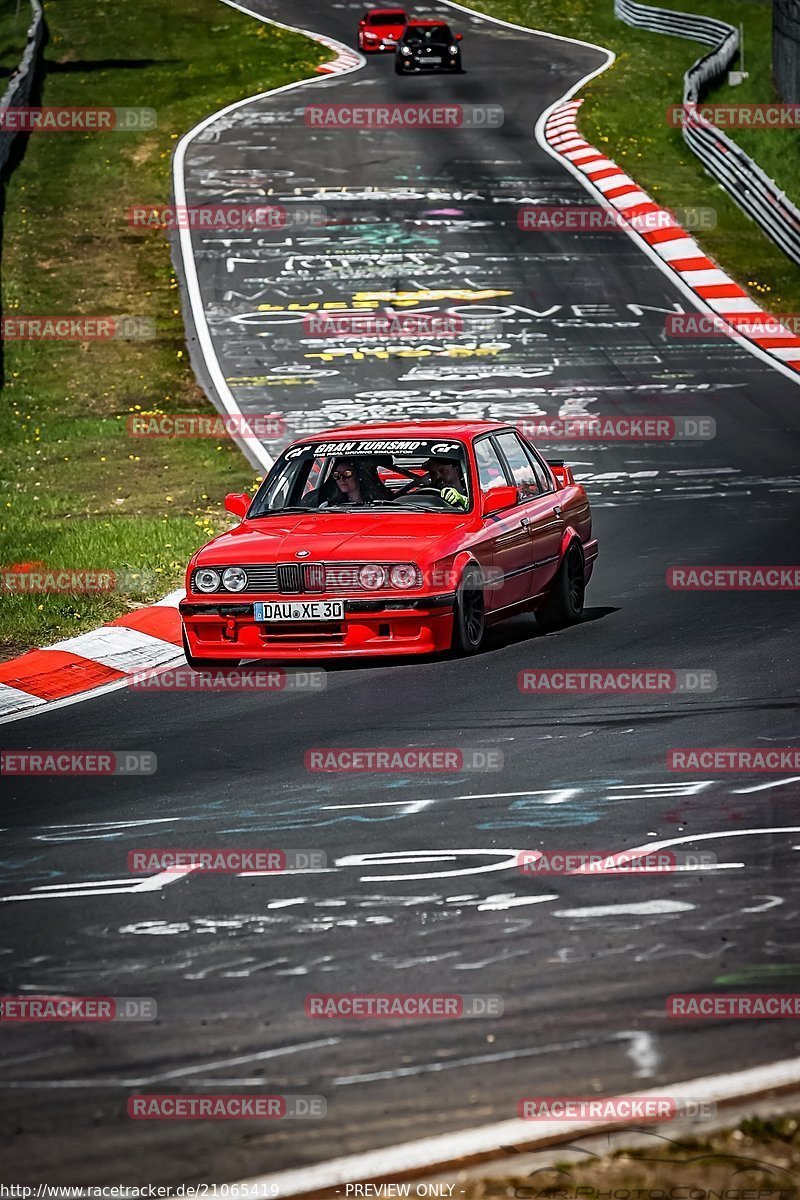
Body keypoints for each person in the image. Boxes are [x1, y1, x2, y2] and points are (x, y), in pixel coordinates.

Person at [315, 458, 393, 507]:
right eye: (337, 475)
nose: (342, 479)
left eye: (347, 474)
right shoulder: (327, 508)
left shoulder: (381, 505)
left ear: (359, 476)